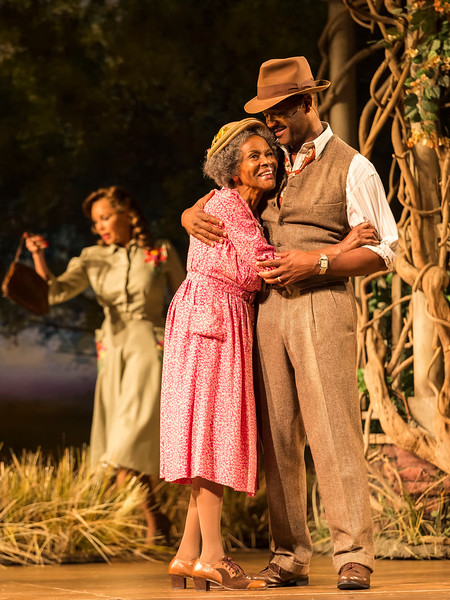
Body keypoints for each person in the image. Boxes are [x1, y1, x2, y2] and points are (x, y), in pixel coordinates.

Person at [182, 56, 398, 591]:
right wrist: (188, 214)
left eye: (279, 112)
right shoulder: (269, 161)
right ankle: (289, 553)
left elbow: (386, 250)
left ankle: (352, 553)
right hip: (264, 313)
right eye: (264, 113)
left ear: (308, 103)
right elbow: (224, 199)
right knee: (276, 436)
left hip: (322, 303)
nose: (271, 122)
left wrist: (319, 260)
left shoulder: (354, 166)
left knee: (332, 429)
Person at [160, 118, 284, 592]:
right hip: (212, 318)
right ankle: (213, 555)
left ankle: (187, 555)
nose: (266, 160)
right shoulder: (229, 202)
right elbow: (264, 262)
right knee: (210, 433)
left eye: (268, 153)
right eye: (253, 156)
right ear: (232, 171)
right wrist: (339, 250)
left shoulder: (232, 205)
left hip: (214, 317)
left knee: (207, 432)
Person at [25, 186, 185, 544]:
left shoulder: (159, 251)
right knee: (116, 441)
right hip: (112, 352)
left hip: (150, 348)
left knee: (130, 436)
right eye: (95, 221)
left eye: (106, 216)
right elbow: (53, 292)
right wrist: (38, 258)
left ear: (127, 212)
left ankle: (133, 520)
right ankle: (155, 521)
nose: (100, 226)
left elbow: (187, 297)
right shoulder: (91, 257)